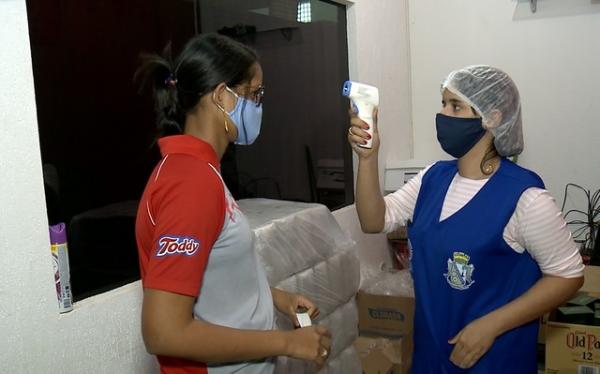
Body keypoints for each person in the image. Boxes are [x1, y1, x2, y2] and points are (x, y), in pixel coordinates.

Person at [348, 65, 584, 373]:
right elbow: (373, 220)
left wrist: (492, 324)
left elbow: (568, 275)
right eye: (443, 103)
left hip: (492, 359)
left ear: (493, 117)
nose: (443, 113)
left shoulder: (525, 197)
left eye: (456, 106)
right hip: (431, 354)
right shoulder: (432, 179)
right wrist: (367, 158)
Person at [134, 34, 331, 374]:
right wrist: (288, 342)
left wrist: (277, 299)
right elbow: (163, 332)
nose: (259, 105)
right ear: (222, 95)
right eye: (255, 94)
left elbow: (212, 274)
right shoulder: (190, 184)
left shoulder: (204, 173)